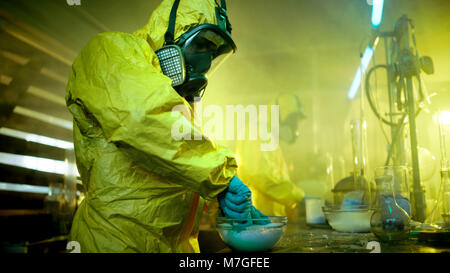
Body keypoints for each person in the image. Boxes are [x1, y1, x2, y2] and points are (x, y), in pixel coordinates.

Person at [66, 0, 265, 253]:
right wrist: (220, 177)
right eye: (201, 45)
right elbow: (141, 118)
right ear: (170, 35)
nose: (205, 64)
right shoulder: (110, 51)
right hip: (113, 244)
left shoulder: (176, 100)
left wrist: (217, 200)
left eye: (213, 54)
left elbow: (174, 175)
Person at [236, 93, 306, 220]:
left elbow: (275, 176)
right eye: (292, 119)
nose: (295, 126)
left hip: (269, 218)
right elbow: (260, 175)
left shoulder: (269, 136)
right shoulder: (257, 132)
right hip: (258, 217)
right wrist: (298, 197)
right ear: (279, 116)